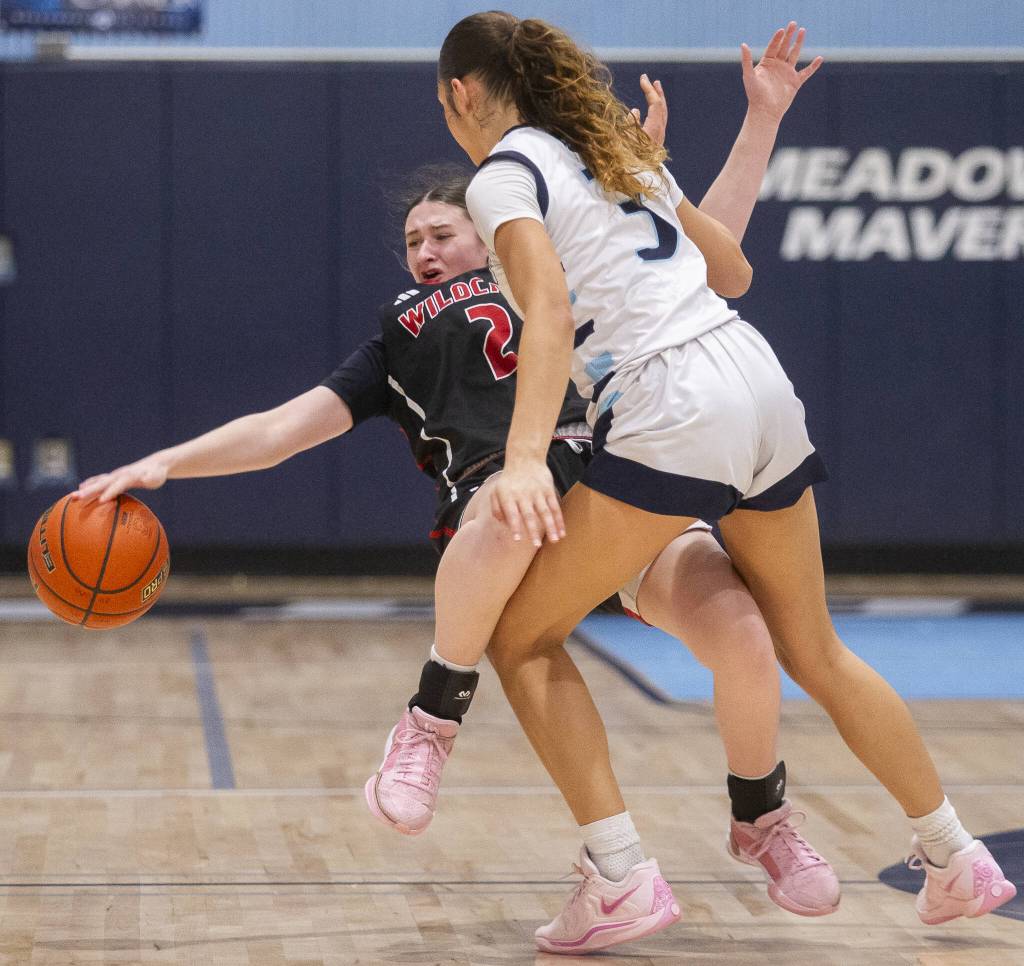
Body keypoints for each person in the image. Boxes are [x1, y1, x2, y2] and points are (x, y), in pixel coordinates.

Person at [74, 30, 843, 949]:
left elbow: (708, 261)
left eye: (442, 234)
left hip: (611, 493)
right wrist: (163, 462)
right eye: (412, 244)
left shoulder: (563, 272)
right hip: (501, 512)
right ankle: (438, 725)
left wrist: (741, 131)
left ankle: (757, 817)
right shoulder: (403, 332)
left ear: (494, 232)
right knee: (508, 515)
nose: (427, 252)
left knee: (747, 637)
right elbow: (280, 431)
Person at [433, 9, 1016, 953]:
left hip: (669, 398)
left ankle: (618, 872)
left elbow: (545, 311)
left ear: (462, 93)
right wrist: (748, 129)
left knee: (519, 635)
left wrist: (531, 457)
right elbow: (734, 270)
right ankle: (953, 855)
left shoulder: (507, 173)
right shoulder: (613, 151)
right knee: (815, 648)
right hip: (755, 375)